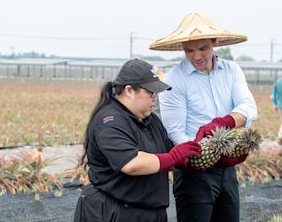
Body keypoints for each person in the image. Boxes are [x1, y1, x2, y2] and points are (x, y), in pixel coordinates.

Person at [149, 11, 257, 222]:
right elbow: (175, 131)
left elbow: (249, 107)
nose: (197, 56)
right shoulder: (175, 80)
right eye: (189, 50)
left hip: (228, 169)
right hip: (194, 173)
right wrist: (199, 155)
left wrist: (224, 122)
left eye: (203, 48)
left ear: (214, 43)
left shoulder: (231, 70)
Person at [73, 59, 201, 222]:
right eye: (150, 93)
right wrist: (174, 157)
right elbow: (132, 164)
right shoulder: (110, 121)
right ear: (129, 90)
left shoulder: (150, 120)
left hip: (149, 211)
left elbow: (168, 155)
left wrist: (192, 159)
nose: (155, 99)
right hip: (115, 211)